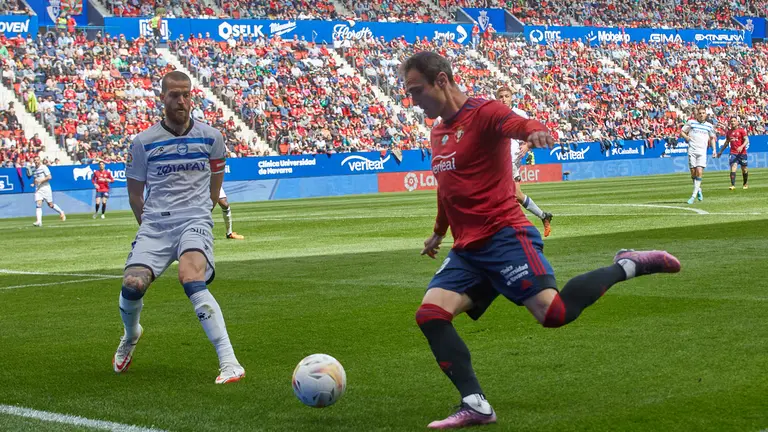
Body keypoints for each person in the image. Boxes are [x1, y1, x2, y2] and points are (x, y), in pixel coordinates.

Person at [402, 52, 682, 429]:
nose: (412, 100)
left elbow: (519, 123)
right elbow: (446, 188)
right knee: (431, 315)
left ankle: (627, 264)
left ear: (441, 80)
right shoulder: (437, 132)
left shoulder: (485, 112)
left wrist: (534, 130)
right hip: (468, 249)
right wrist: (438, 231)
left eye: (416, 90)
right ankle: (476, 404)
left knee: (554, 315)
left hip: (505, 236)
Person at [114, 71, 245, 384]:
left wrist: (200, 215)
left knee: (190, 276)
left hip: (194, 219)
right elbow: (135, 195)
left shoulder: (212, 137)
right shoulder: (143, 142)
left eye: (186, 94)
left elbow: (216, 188)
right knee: (133, 284)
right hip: (155, 224)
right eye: (174, 94)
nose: (181, 100)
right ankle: (131, 334)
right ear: (162, 97)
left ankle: (230, 362)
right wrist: (149, 229)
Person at [496, 86, 553, 237]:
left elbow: (535, 132)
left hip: (510, 160)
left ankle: (512, 228)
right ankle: (543, 216)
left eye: (506, 96)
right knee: (517, 195)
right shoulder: (494, 115)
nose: (503, 99)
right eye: (501, 96)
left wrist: (528, 145)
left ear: (512, 98)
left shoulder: (520, 114)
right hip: (500, 159)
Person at [680, 108, 717, 204]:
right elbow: (682, 131)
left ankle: (693, 195)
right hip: (692, 150)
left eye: (703, 113)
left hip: (702, 152)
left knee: (699, 172)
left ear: (706, 115)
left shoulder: (709, 126)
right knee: (693, 173)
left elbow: (712, 138)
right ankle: (699, 189)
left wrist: (714, 150)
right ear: (697, 115)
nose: (701, 115)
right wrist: (687, 137)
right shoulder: (691, 123)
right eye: (699, 113)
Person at [715, 116, 749, 190]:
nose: (733, 122)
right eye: (731, 121)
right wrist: (720, 151)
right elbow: (726, 142)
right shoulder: (729, 132)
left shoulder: (741, 130)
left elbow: (747, 140)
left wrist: (742, 146)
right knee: (733, 167)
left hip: (742, 153)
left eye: (734, 121)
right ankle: (733, 185)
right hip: (733, 152)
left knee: (744, 169)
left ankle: (745, 183)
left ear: (737, 122)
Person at [31, 156, 66, 226]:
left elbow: (49, 177)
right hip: (38, 189)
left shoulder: (43, 167)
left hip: (46, 187)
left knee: (50, 204)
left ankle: (61, 212)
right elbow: (35, 179)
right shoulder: (34, 169)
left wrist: (40, 181)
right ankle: (39, 222)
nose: (36, 161)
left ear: (39, 160)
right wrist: (33, 183)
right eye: (35, 160)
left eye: (37, 160)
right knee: (38, 204)